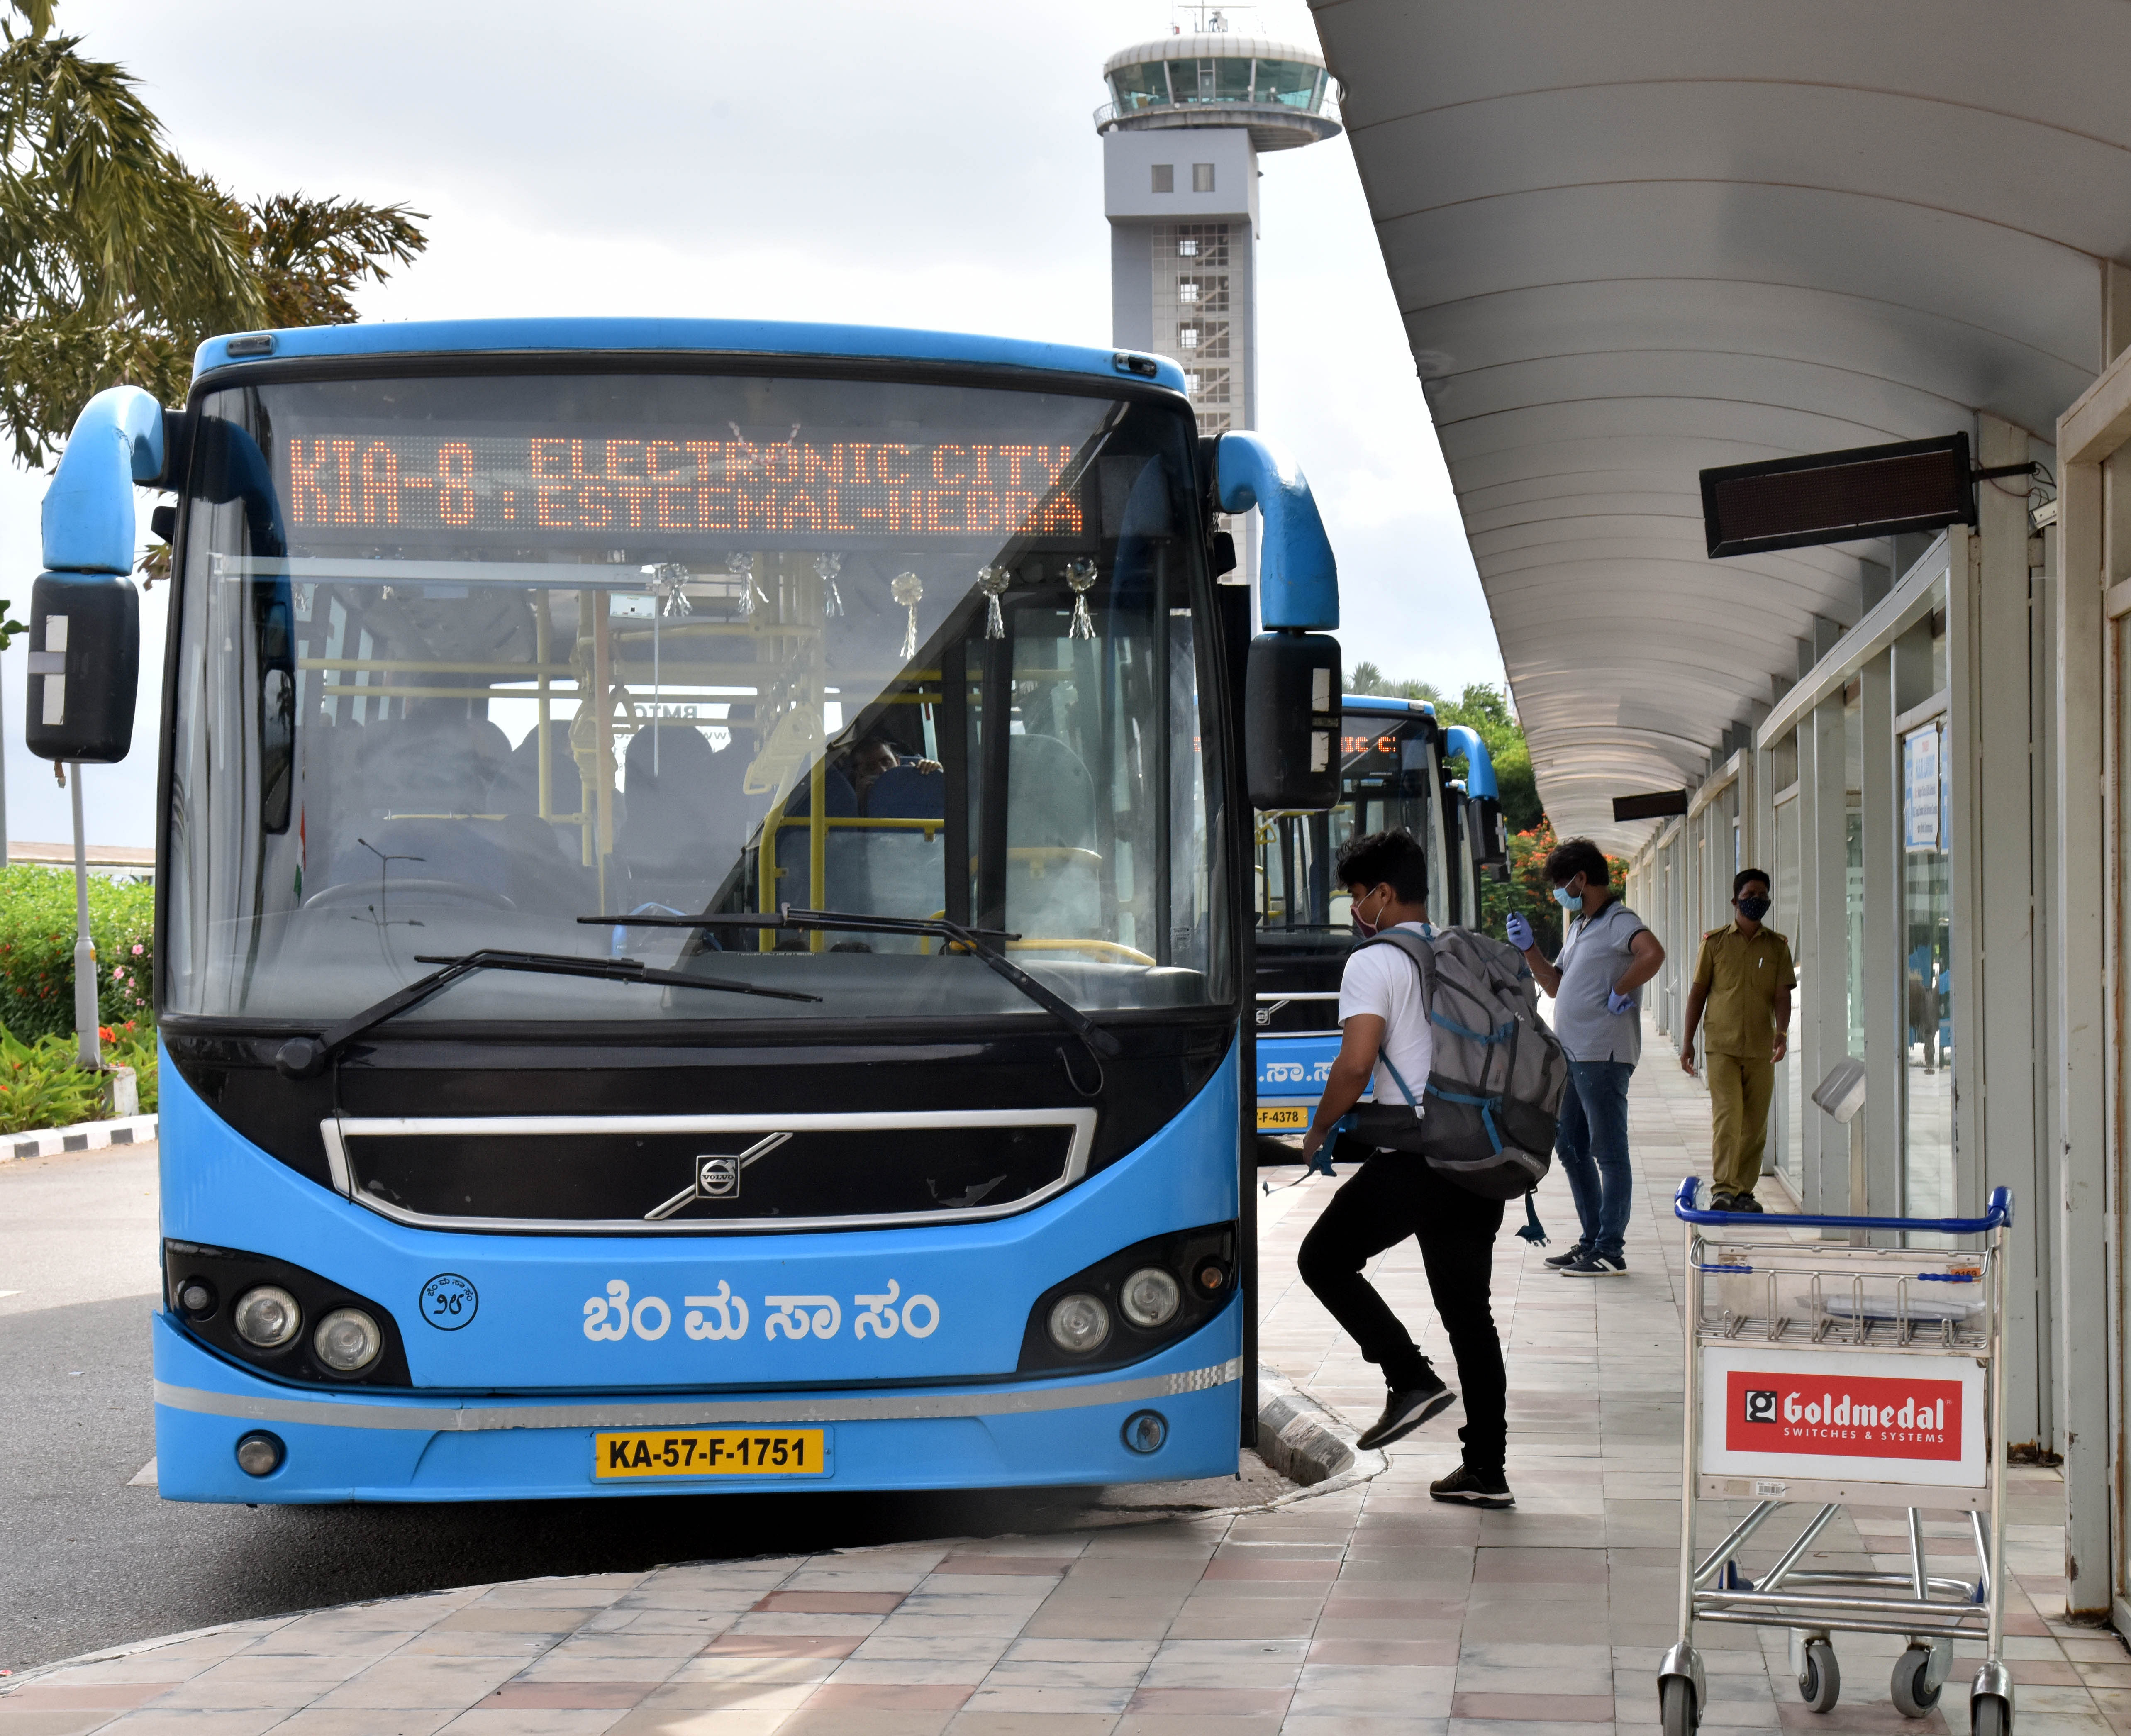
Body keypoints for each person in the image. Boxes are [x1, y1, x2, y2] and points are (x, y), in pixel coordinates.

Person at [1296, 829, 1514, 1508]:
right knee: (1469, 1315)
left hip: (1419, 1157)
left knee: (1322, 1259)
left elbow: (1357, 1061)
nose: (1355, 907)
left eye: (1357, 894)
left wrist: (1321, 1124)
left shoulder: (1375, 961)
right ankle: (1487, 1468)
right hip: (1481, 1150)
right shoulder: (1463, 951)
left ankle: (1408, 1374)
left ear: (1382, 893)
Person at [1506, 836, 1664, 1277]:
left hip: (1603, 1053)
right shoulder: (1582, 925)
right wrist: (1528, 948)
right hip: (1573, 1053)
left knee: (1608, 1151)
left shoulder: (1619, 920)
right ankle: (1593, 1238)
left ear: (1582, 878)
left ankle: (1611, 1247)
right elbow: (1555, 985)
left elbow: (1653, 954)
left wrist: (1620, 989)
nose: (1560, 890)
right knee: (1570, 1145)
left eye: (1562, 882)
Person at [1678, 868, 1795, 1211]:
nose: (1757, 901)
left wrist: (1782, 1033)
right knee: (1729, 1118)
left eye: (1763, 896)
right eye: (1750, 896)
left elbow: (1782, 996)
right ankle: (1724, 1189)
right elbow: (1698, 993)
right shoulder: (1714, 943)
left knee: (1756, 1124)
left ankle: (1745, 1191)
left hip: (1760, 1047)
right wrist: (1688, 1041)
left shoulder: (1777, 947)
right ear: (1735, 901)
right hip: (1722, 1047)